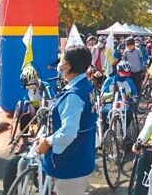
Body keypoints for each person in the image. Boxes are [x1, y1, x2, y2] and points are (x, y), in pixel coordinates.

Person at [39, 45, 97, 194]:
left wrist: (47, 141)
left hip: (71, 162)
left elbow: (68, 132)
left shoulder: (74, 95)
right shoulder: (84, 86)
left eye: (62, 61)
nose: (59, 64)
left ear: (69, 65)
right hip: (82, 156)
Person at [100, 60, 138, 133]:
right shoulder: (109, 80)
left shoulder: (130, 81)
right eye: (123, 73)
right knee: (105, 112)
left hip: (125, 103)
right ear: (117, 71)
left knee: (129, 112)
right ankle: (106, 131)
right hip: (110, 103)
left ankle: (123, 131)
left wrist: (133, 100)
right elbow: (102, 97)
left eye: (127, 73)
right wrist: (112, 94)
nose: (125, 75)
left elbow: (134, 95)